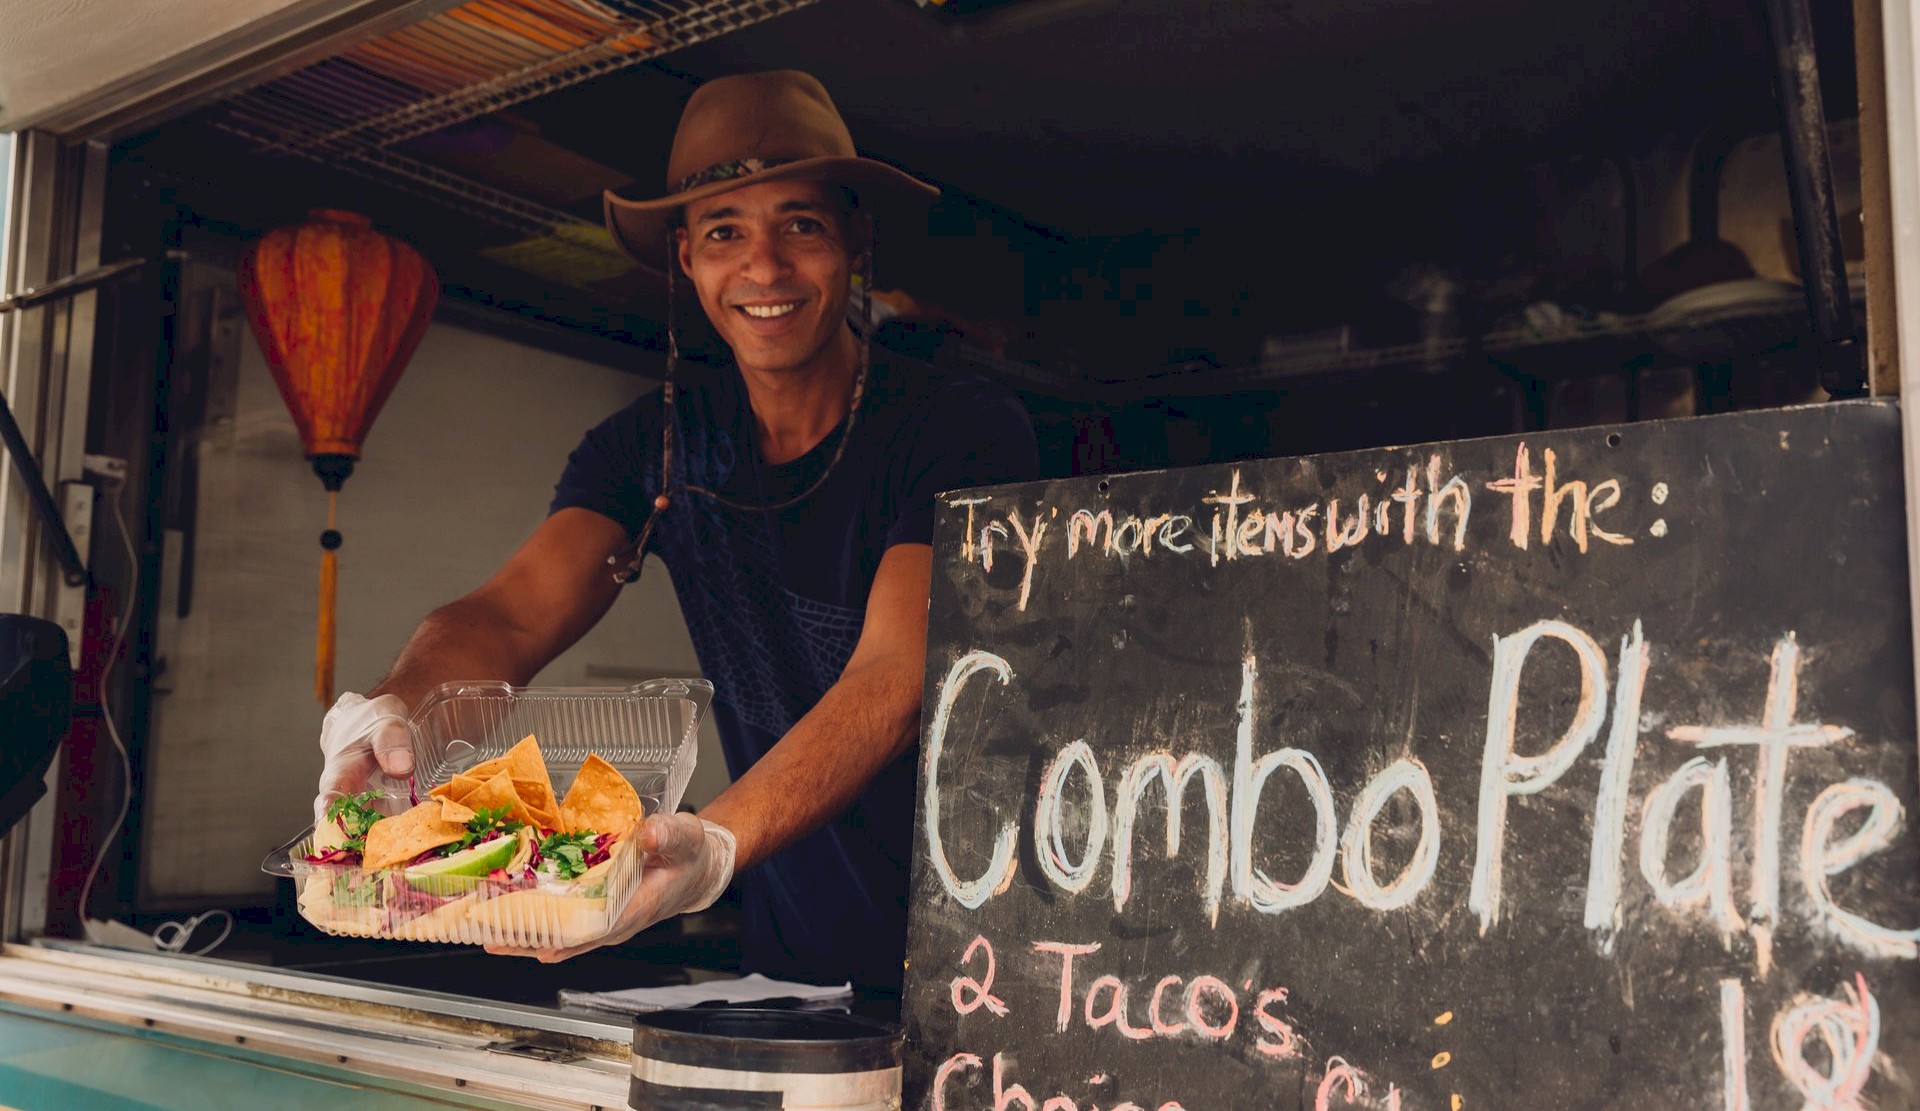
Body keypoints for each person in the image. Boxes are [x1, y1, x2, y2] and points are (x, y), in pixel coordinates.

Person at [312, 70, 1038, 992]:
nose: (764, 268)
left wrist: (716, 843)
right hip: (794, 965)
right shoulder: (649, 449)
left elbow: (898, 677)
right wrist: (394, 713)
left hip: (988, 953)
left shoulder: (958, 428)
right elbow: (507, 618)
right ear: (685, 258)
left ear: (856, 243)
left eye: (801, 224)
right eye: (725, 231)